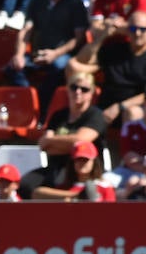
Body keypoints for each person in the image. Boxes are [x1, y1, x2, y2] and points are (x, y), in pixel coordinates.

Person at [69, 9, 146, 125]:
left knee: (132, 113)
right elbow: (82, 60)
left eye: (143, 29)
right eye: (133, 29)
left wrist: (120, 107)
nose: (137, 33)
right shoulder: (115, 50)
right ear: (127, 31)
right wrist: (102, 36)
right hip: (104, 107)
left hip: (134, 108)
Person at [20, 70, 105, 199]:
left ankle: (69, 197)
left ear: (92, 92)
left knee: (57, 183)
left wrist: (54, 141)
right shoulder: (58, 115)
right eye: (74, 87)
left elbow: (81, 141)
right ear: (67, 89)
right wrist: (71, 144)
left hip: (84, 168)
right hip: (56, 166)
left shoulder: (96, 115)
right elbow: (43, 145)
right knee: (24, 185)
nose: (78, 92)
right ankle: (77, 196)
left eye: (84, 89)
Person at [4, 0, 88, 106]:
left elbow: (79, 38)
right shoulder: (37, 1)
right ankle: (28, 102)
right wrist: (19, 55)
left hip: (62, 55)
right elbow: (26, 30)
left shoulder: (75, 3)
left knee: (60, 68)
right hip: (38, 54)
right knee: (12, 68)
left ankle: (43, 110)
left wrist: (55, 54)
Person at [32, 139, 115, 201]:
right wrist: (77, 195)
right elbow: (37, 193)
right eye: (78, 159)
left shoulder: (104, 187)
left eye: (85, 159)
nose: (81, 163)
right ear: (73, 163)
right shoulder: (66, 187)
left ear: (94, 162)